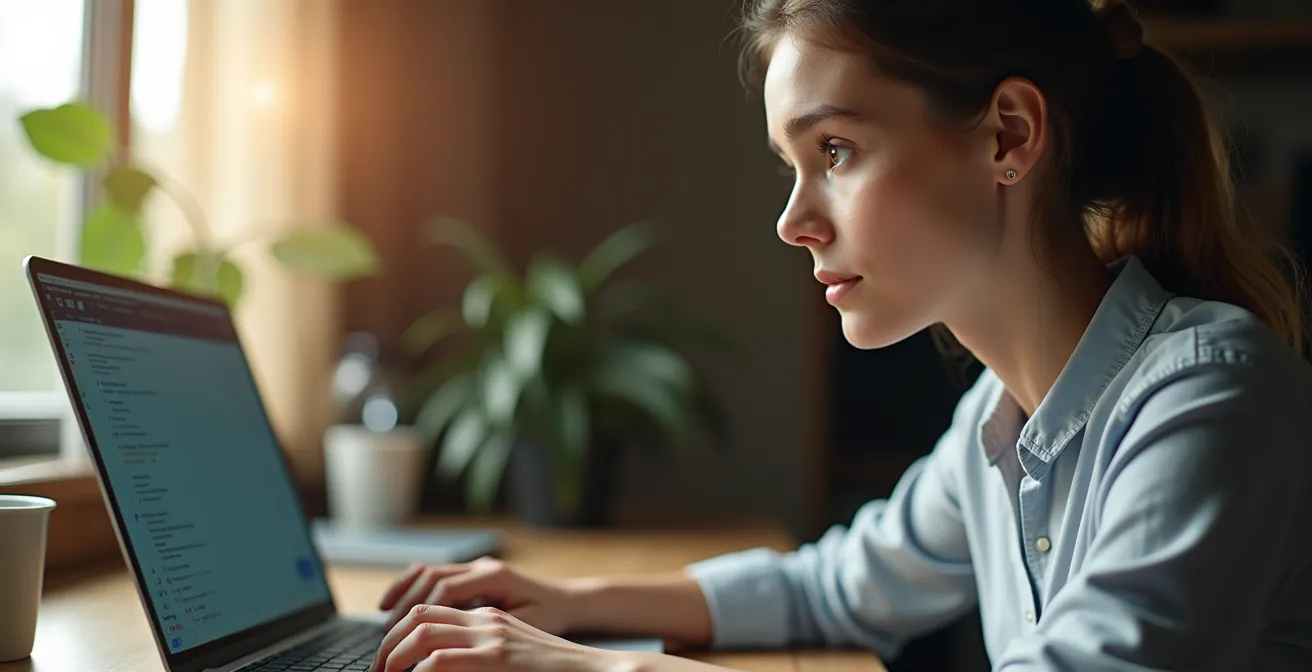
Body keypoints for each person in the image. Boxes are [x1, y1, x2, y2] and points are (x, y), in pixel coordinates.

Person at [368, 0, 1312, 669]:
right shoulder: (1001, 415)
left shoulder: (1207, 399)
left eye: (836, 152)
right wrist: (573, 604)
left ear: (1010, 137)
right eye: (794, 163)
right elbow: (835, 586)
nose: (792, 220)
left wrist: (591, 669)